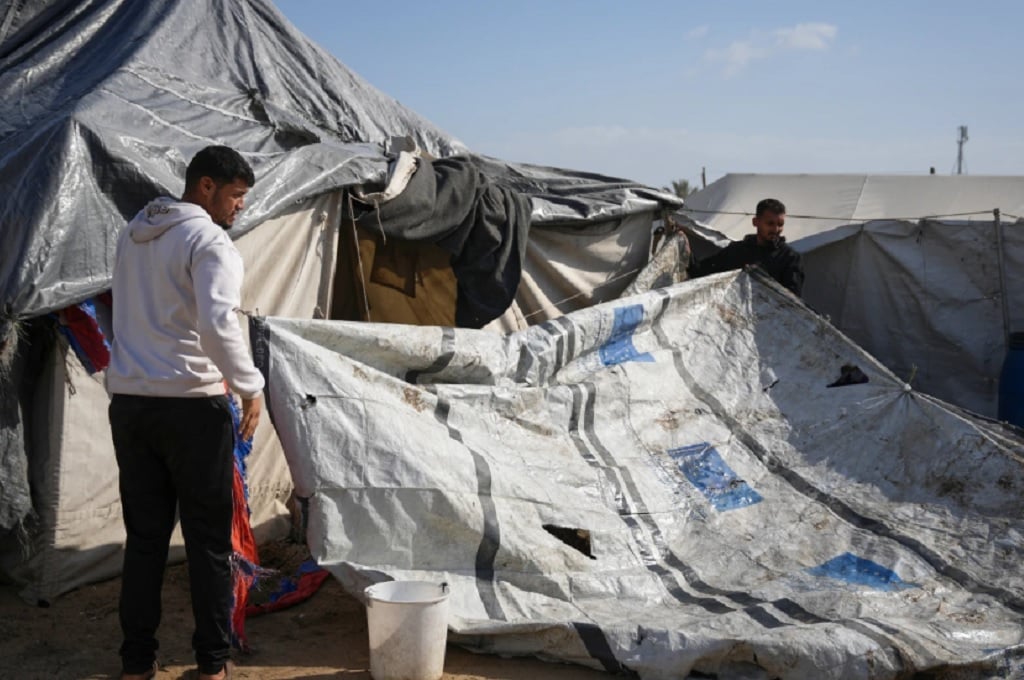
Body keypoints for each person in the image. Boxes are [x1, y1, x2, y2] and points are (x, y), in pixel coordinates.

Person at [107, 146, 264, 680]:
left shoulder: (133, 232)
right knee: (208, 544)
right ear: (205, 187)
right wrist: (251, 388)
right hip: (192, 407)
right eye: (236, 194)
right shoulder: (208, 241)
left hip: (131, 405)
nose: (240, 206)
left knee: (145, 540)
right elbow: (219, 325)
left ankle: (136, 664)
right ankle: (212, 664)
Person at [692, 198, 804, 296]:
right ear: (756, 222)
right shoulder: (736, 251)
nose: (776, 230)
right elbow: (701, 271)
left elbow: (792, 301)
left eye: (780, 224)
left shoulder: (790, 258)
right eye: (770, 224)